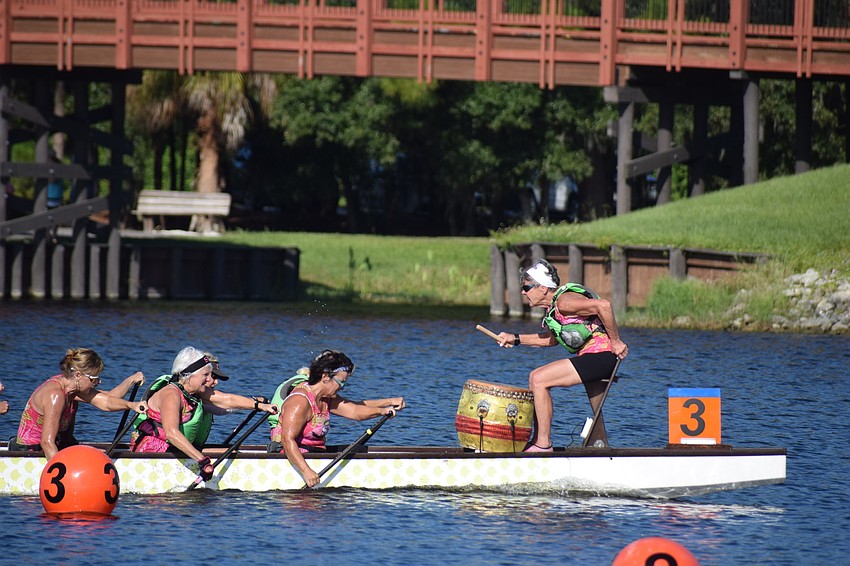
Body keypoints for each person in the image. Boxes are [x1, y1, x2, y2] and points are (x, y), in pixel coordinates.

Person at [494, 259, 628, 451]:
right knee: (537, 380)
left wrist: (616, 342)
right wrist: (514, 338)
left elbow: (604, 306)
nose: (523, 292)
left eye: (526, 287)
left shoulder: (564, 301)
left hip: (602, 356)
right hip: (592, 358)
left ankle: (542, 444)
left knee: (538, 378)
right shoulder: (553, 310)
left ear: (543, 288)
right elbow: (550, 339)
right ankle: (598, 448)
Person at [130, 346, 278, 482]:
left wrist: (260, 406)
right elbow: (171, 433)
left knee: (231, 451)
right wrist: (202, 460)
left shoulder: (192, 391)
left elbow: (227, 400)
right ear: (189, 375)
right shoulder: (171, 394)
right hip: (154, 454)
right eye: (205, 374)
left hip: (175, 450)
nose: (209, 380)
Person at [273, 350, 405, 487]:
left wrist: (385, 407)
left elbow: (354, 411)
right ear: (325, 377)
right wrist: (306, 471)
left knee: (359, 450)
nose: (342, 387)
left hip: (315, 452)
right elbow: (287, 440)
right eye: (341, 382)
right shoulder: (300, 401)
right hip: (293, 457)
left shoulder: (326, 398)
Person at [9, 348, 148, 459]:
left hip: (58, 446)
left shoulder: (72, 390)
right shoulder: (55, 395)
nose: (98, 382)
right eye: (94, 379)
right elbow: (47, 443)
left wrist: (132, 402)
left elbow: (108, 400)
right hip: (32, 452)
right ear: (77, 375)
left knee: (98, 454)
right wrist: (65, 474)